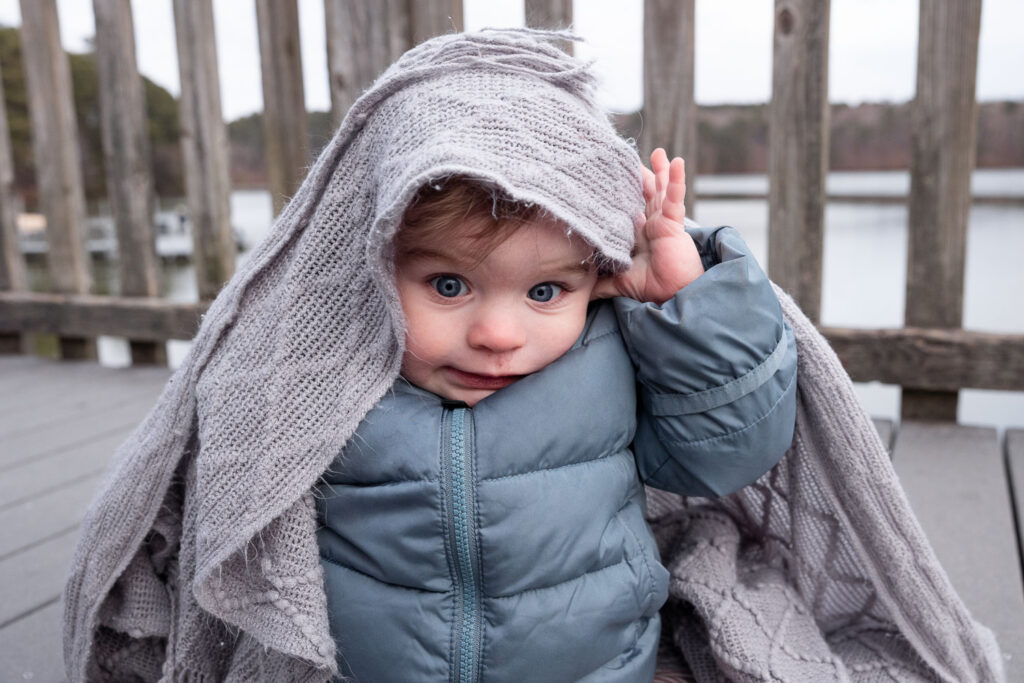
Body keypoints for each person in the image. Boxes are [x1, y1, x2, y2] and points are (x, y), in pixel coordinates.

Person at [63, 29, 796, 681]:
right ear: (373, 261)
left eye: (545, 291)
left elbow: (729, 452)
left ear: (597, 275)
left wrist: (682, 304)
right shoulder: (333, 379)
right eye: (449, 284)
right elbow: (225, 484)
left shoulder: (609, 357)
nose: (498, 334)